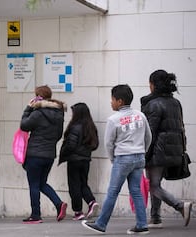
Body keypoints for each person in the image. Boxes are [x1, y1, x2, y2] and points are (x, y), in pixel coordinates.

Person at [81, 84, 152, 234]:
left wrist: (113, 159)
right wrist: (141, 152)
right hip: (139, 157)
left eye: (112, 99)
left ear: (119, 101)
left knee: (113, 191)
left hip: (123, 158)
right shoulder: (141, 115)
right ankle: (142, 224)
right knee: (136, 191)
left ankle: (101, 224)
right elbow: (148, 137)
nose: (111, 102)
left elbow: (108, 143)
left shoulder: (114, 119)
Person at [140, 69, 192, 228]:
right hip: (172, 150)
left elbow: (149, 133)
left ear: (153, 85)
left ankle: (180, 206)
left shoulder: (153, 104)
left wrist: (144, 154)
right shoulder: (175, 102)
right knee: (155, 183)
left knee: (153, 185)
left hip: (157, 150)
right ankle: (155, 218)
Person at [20, 85, 68, 224]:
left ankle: (35, 215)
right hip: (49, 155)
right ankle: (59, 204)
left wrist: (28, 108)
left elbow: (24, 125)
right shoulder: (59, 113)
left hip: (35, 154)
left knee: (34, 185)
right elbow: (59, 135)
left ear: (38, 97)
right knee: (42, 183)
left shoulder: (37, 112)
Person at [58, 102, 99, 220]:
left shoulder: (75, 127)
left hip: (74, 160)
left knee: (74, 185)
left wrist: (64, 152)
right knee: (83, 183)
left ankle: (78, 212)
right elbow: (95, 145)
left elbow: (70, 145)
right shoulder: (91, 127)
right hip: (86, 160)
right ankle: (91, 201)